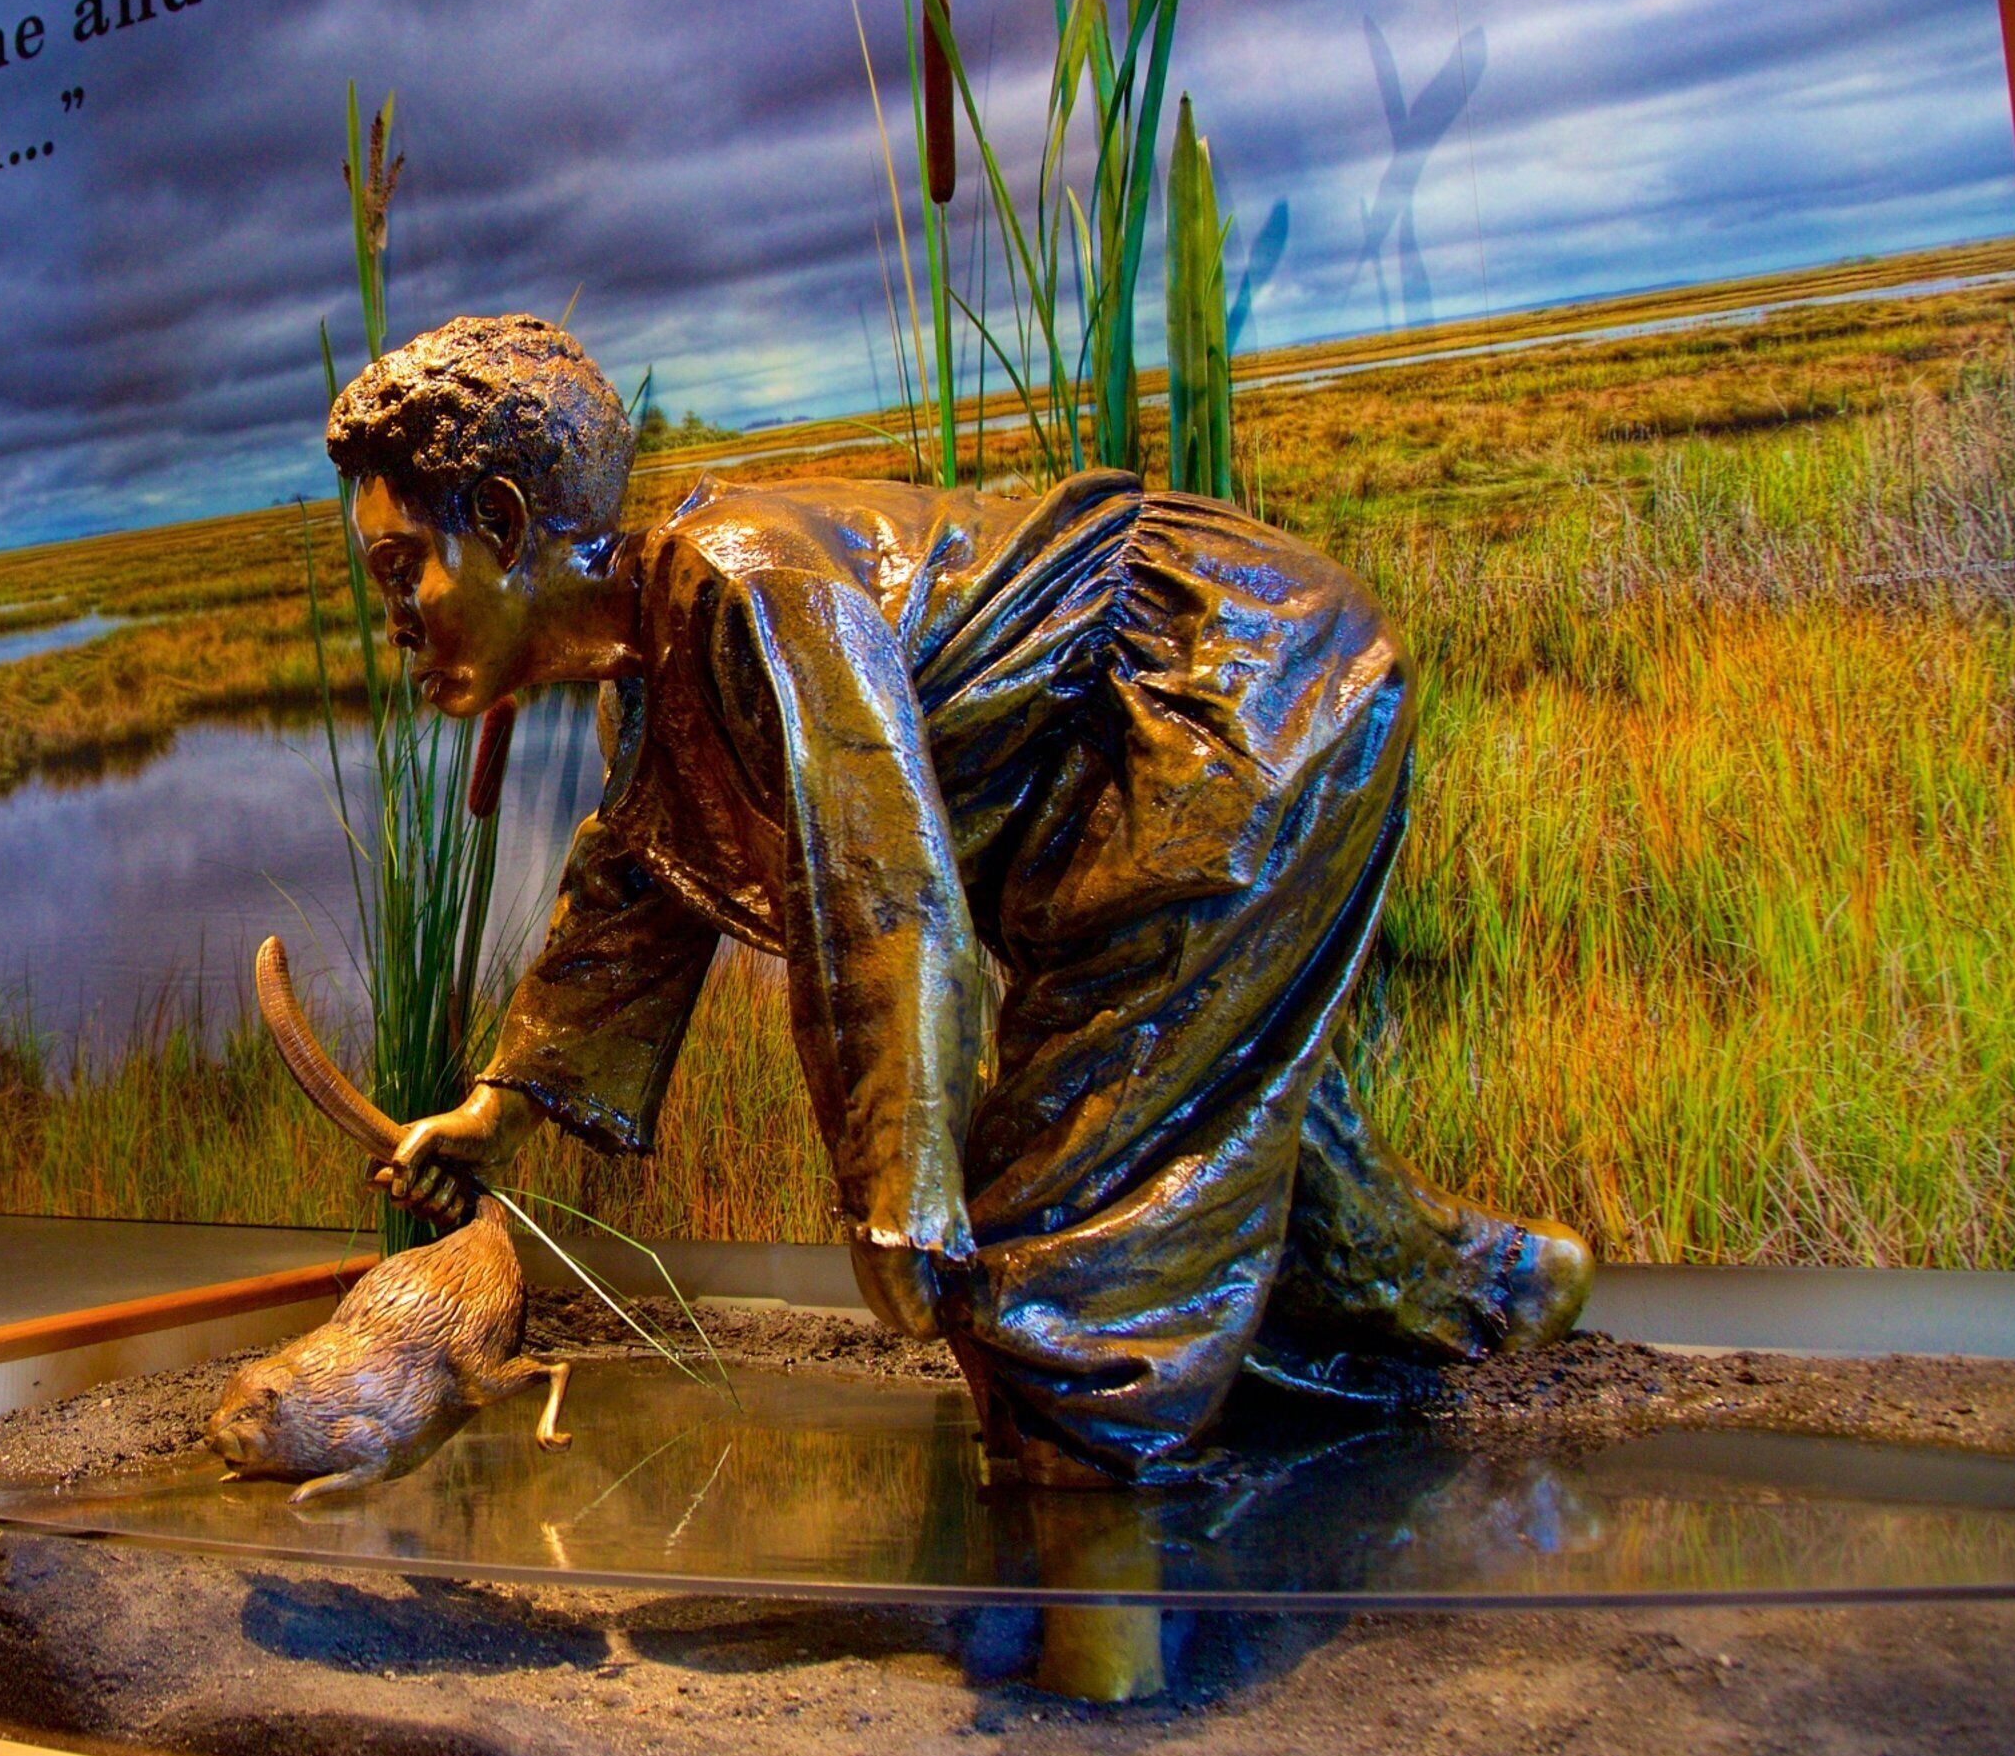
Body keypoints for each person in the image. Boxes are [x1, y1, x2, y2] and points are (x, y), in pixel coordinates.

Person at [332, 313, 1588, 1484]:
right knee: (1193, 1104)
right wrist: (497, 1117)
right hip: (1156, 743)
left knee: (1066, 1212)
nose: (392, 621)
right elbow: (634, 892)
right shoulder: (654, 677)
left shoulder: (738, 579)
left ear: (502, 522)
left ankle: (1102, 1612)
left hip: (1231, 682)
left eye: (401, 569)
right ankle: (1478, 1287)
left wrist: (902, 1189)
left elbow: (875, 880)